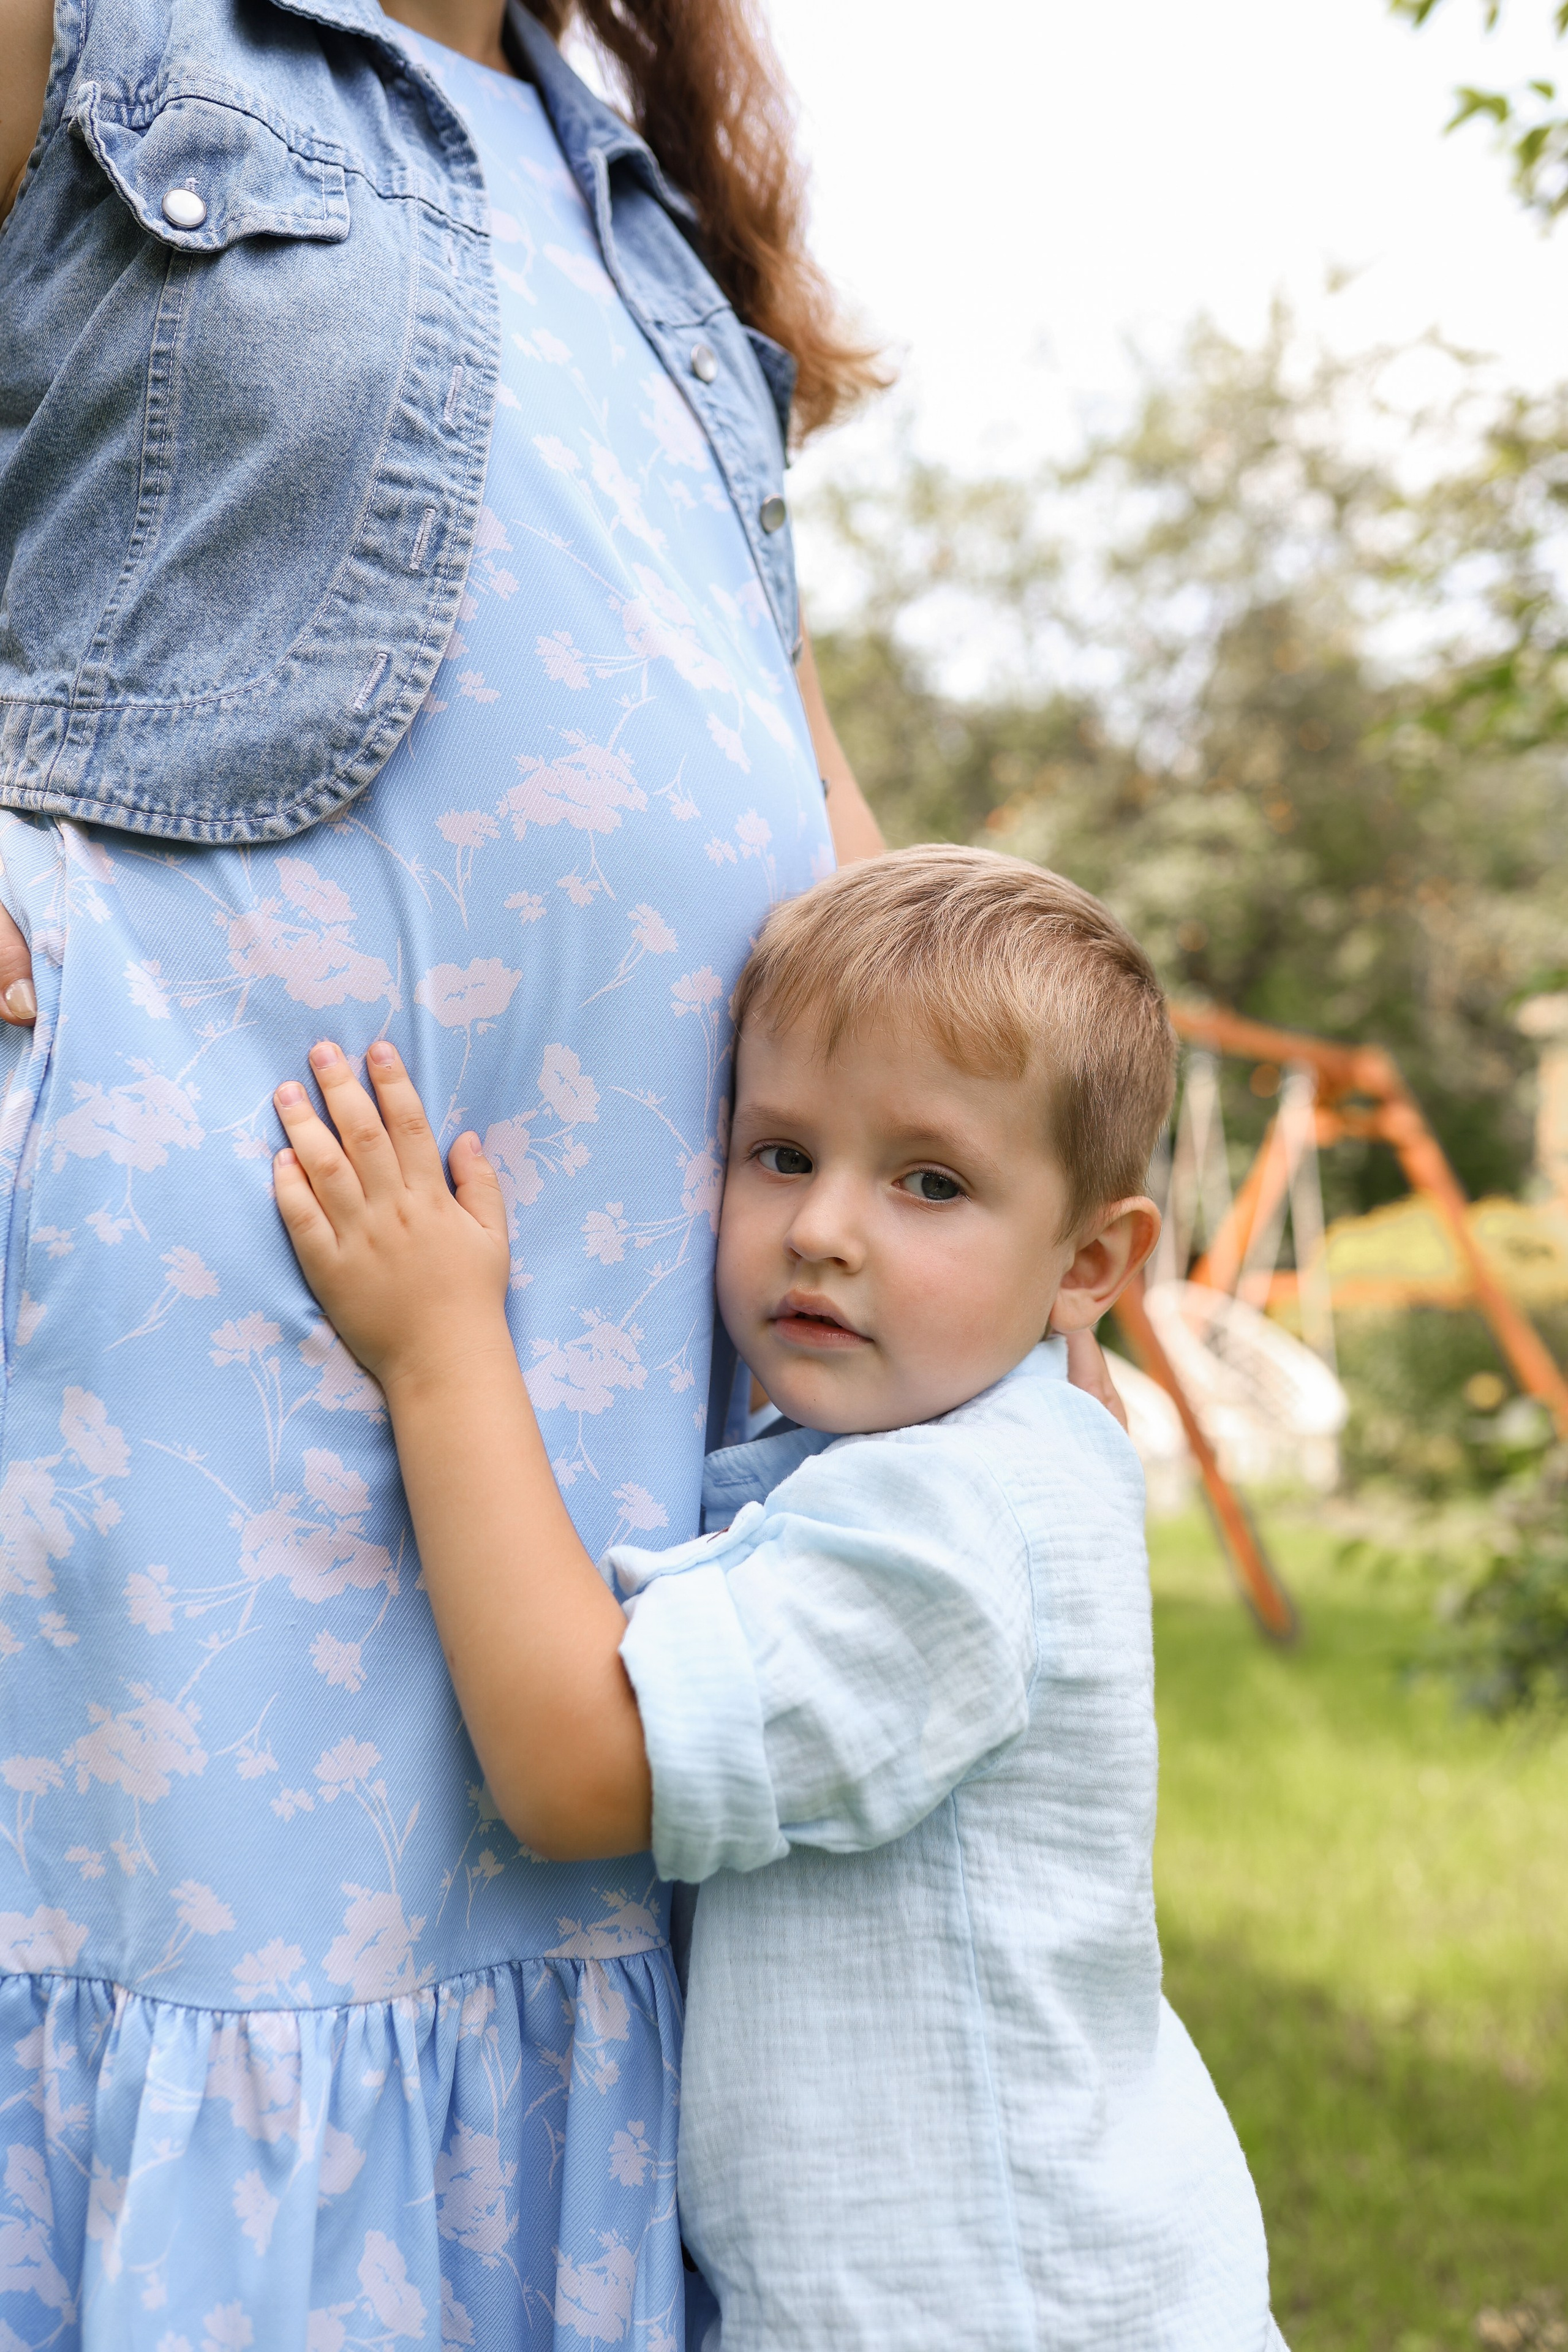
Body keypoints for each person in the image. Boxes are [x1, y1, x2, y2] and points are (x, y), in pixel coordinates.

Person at [0, 0, 889, 2339]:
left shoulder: (644, 199)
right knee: (261, 1954)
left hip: (623, 1301)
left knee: (561, 1891)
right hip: (227, 1224)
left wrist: (996, 1153)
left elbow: (786, 739)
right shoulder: (106, 32)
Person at [265, 844, 1289, 2352]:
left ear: (1091, 1262)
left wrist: (438, 1349)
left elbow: (573, 1766)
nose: (823, 1228)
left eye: (928, 1182)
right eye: (781, 1153)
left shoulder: (952, 1526)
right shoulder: (987, 1435)